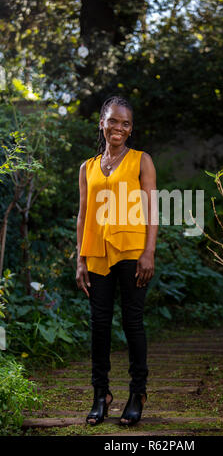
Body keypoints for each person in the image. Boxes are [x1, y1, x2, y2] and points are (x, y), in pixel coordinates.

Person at [76, 96, 158, 427]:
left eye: (125, 123)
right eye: (113, 121)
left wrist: (149, 252)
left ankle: (137, 394)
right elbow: (83, 214)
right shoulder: (88, 167)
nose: (118, 128)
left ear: (130, 129)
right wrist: (80, 258)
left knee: (133, 323)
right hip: (96, 253)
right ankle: (101, 395)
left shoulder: (142, 161)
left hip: (132, 251)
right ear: (102, 122)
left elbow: (152, 210)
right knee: (99, 326)